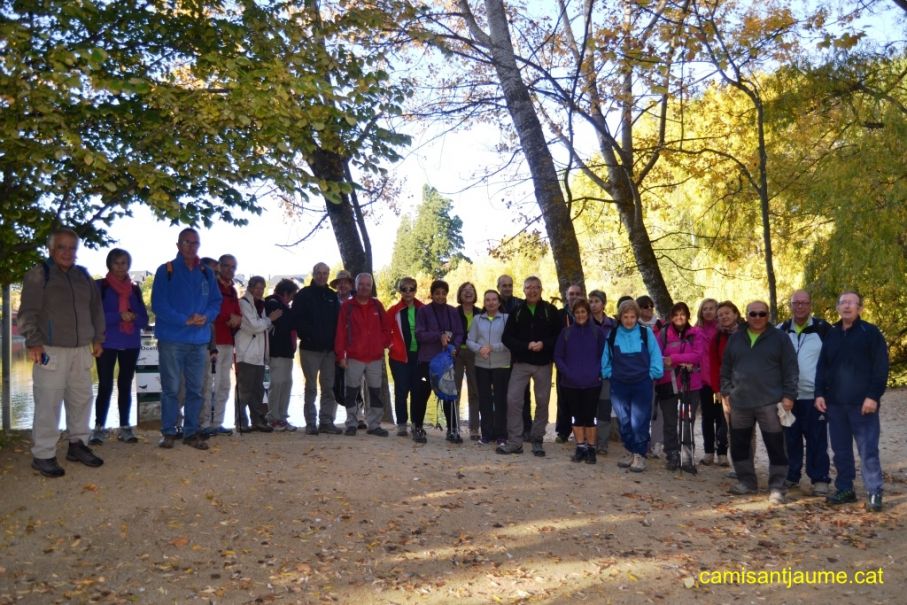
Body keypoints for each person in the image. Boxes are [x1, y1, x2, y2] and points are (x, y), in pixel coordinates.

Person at [19, 227, 106, 477]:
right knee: (48, 403)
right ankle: (43, 454)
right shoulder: (40, 274)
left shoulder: (83, 276)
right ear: (51, 249)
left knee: (81, 400)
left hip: (82, 350)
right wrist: (34, 342)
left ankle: (78, 445)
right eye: (62, 247)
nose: (67, 252)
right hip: (50, 350)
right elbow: (28, 313)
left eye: (72, 247)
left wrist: (98, 338)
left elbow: (96, 309)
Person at [815, 291, 889, 512]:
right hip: (835, 405)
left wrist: (873, 396)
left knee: (868, 450)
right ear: (837, 308)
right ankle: (845, 488)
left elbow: (881, 367)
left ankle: (874, 491)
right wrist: (819, 393)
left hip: (863, 405)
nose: (847, 306)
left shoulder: (870, 333)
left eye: (852, 303)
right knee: (841, 451)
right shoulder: (832, 334)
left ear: (860, 308)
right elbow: (822, 366)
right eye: (843, 303)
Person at [151, 227, 222, 450]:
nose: (191, 247)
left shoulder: (206, 272)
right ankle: (169, 432)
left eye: (195, 243)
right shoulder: (166, 271)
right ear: (178, 245)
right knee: (171, 388)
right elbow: (159, 305)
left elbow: (215, 302)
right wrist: (184, 320)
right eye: (187, 242)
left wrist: (206, 316)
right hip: (172, 339)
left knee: (196, 389)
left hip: (199, 340)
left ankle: (191, 432)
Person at [720, 300, 798, 505]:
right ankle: (746, 481)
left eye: (761, 314)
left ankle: (777, 487)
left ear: (768, 315)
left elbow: (791, 369)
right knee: (740, 445)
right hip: (740, 403)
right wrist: (726, 392)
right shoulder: (736, 338)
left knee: (776, 446)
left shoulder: (780, 339)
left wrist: (789, 395)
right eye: (752, 314)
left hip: (770, 402)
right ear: (746, 315)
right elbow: (726, 367)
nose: (757, 318)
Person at [497, 276, 562, 457]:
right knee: (513, 400)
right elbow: (506, 338)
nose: (532, 291)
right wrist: (525, 346)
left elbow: (559, 336)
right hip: (521, 363)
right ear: (524, 290)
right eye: (528, 287)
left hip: (543, 364)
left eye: (536, 287)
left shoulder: (550, 310)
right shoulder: (517, 311)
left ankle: (537, 439)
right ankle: (515, 442)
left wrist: (544, 344)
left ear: (541, 289)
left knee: (542, 402)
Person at [89, 248, 149, 445]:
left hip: (130, 342)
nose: (121, 267)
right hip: (107, 342)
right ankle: (99, 427)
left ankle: (125, 426)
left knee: (125, 384)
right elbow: (95, 317)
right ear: (109, 264)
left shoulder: (135, 289)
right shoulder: (100, 287)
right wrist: (118, 316)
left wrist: (133, 317)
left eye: (124, 263)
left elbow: (143, 320)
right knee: (105, 385)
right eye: (117, 263)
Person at [600, 299, 663, 472]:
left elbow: (655, 355)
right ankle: (629, 450)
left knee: (639, 421)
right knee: (624, 421)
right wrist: (608, 374)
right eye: (625, 317)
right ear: (620, 317)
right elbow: (606, 358)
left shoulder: (645, 333)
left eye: (632, 316)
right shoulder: (613, 335)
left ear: (637, 317)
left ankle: (640, 455)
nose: (629, 320)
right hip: (619, 385)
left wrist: (652, 374)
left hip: (642, 383)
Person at [778, 290, 831, 496]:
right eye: (796, 303)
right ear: (790, 305)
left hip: (814, 396)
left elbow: (832, 360)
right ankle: (791, 475)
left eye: (804, 303)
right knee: (790, 438)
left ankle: (820, 478)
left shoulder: (822, 329)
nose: (800, 306)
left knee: (817, 438)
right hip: (788, 397)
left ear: (810, 305)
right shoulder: (781, 330)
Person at [334, 273, 392, 437]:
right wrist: (341, 355)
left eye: (368, 284)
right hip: (354, 356)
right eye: (361, 284)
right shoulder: (348, 306)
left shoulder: (377, 306)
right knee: (351, 392)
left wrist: (382, 344)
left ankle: (374, 425)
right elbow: (340, 333)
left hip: (374, 357)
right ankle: (352, 423)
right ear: (356, 286)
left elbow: (387, 329)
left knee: (375, 392)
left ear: (371, 286)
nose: (364, 287)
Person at [292, 262, 343, 435]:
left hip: (329, 351)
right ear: (314, 274)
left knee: (329, 386)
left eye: (325, 273)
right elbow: (296, 319)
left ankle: (326, 421)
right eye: (319, 273)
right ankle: (311, 422)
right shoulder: (304, 295)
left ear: (328, 275)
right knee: (311, 387)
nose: (322, 276)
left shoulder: (332, 296)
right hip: (310, 349)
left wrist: (336, 346)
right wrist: (307, 335)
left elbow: (339, 322)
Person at [554, 299, 605, 464]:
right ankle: (580, 447)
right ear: (573, 314)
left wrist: (596, 372)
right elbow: (558, 356)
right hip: (570, 383)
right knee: (576, 417)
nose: (580, 315)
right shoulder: (566, 333)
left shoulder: (597, 332)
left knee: (590, 417)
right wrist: (567, 373)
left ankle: (591, 449)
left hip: (592, 382)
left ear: (588, 313)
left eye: (583, 312)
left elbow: (603, 356)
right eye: (577, 313)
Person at [654, 302, 704, 473]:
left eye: (682, 314)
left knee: (687, 421)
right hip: (667, 383)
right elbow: (656, 355)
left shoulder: (696, 333)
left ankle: (688, 457)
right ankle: (672, 454)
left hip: (691, 384)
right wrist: (680, 360)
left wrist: (674, 358)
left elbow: (697, 356)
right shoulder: (663, 334)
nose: (679, 318)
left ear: (688, 316)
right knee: (669, 421)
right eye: (675, 315)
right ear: (670, 317)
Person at [414, 280, 465, 443]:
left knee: (449, 395)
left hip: (446, 361)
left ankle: (452, 430)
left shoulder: (453, 312)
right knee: (422, 393)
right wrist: (438, 336)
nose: (440, 296)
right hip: (426, 362)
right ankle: (418, 428)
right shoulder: (423, 311)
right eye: (437, 293)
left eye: (443, 293)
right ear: (432, 294)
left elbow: (459, 333)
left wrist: (454, 347)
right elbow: (419, 334)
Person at [235, 276, 281, 432]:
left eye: (262, 288)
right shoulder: (244, 303)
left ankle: (257, 420)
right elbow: (254, 326)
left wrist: (266, 323)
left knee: (258, 392)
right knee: (244, 391)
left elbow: (260, 328)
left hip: (259, 356)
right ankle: (241, 422)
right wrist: (270, 320)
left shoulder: (259, 306)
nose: (260, 291)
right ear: (250, 287)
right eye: (257, 288)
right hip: (246, 355)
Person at [467, 290, 511, 445]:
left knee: (501, 400)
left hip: (502, 364)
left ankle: (501, 435)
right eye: (487, 300)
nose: (491, 302)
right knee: (484, 400)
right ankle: (486, 434)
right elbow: (470, 341)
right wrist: (480, 349)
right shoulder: (477, 319)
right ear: (484, 303)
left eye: (494, 299)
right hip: (482, 364)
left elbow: (509, 341)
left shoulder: (507, 319)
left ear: (499, 302)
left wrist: (492, 347)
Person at [387, 277, 424, 436]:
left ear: (415, 290)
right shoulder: (394, 311)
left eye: (411, 288)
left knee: (418, 390)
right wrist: (390, 345)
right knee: (401, 391)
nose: (408, 292)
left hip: (419, 356)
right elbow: (384, 331)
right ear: (400, 291)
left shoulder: (423, 309)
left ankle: (416, 423)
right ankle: (402, 424)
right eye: (404, 289)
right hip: (399, 357)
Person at [497, 274, 532, 440]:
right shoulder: (493, 303)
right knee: (503, 392)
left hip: (519, 354)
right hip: (499, 355)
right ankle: (504, 428)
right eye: (504, 285)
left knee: (524, 393)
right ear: (498, 287)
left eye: (510, 285)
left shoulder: (520, 304)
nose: (507, 288)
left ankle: (527, 428)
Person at [209, 254, 241, 435]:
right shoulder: (213, 286)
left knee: (224, 385)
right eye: (227, 266)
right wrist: (229, 318)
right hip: (214, 342)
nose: (230, 270)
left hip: (229, 341)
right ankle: (205, 422)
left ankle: (217, 423)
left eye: (233, 267)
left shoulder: (233, 290)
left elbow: (237, 312)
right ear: (219, 266)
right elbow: (212, 312)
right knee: (211, 384)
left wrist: (237, 319)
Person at [708, 300, 741, 468]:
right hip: (727, 389)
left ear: (735, 313)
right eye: (720, 315)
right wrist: (717, 389)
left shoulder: (746, 332)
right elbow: (714, 365)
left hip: (748, 388)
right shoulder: (718, 337)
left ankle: (745, 465)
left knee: (746, 430)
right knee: (731, 428)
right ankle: (737, 465)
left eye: (727, 313)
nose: (724, 317)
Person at [265, 279, 300, 431]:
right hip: (277, 351)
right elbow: (285, 324)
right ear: (285, 294)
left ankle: (282, 416)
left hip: (287, 352)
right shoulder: (272, 303)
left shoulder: (285, 308)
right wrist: (291, 316)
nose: (292, 300)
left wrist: (289, 315)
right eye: (292, 296)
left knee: (286, 384)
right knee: (277, 384)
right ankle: (273, 417)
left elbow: (289, 322)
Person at [330, 270, 363, 427]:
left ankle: (359, 416)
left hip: (355, 348)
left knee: (356, 382)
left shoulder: (359, 301)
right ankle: (330, 418)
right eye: (339, 282)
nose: (342, 285)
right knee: (334, 382)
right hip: (334, 347)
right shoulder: (330, 301)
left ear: (351, 285)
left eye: (345, 282)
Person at [555, 283, 585, 443]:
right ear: (566, 296)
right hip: (564, 362)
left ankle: (584, 430)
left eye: (577, 294)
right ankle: (563, 431)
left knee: (584, 396)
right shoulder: (559, 315)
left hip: (584, 363)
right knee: (563, 397)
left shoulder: (586, 315)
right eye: (571, 294)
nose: (574, 297)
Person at [695, 298, 724, 466]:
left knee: (722, 418)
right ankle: (708, 452)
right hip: (704, 381)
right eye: (705, 308)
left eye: (711, 308)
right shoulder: (696, 331)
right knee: (707, 417)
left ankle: (722, 452)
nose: (708, 311)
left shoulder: (722, 331)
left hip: (720, 381)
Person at [589, 290, 616, 454]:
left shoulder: (613, 325)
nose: (593, 305)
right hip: (588, 372)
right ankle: (587, 439)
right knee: (588, 406)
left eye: (596, 301)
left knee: (604, 407)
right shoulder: (584, 323)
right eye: (590, 301)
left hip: (607, 372)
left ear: (603, 303)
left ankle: (603, 442)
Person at [455, 282, 482, 440]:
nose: (468, 293)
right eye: (464, 290)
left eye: (471, 290)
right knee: (455, 390)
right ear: (460, 294)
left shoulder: (480, 312)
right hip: (457, 353)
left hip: (474, 353)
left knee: (475, 391)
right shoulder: (454, 312)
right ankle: (454, 426)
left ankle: (474, 428)